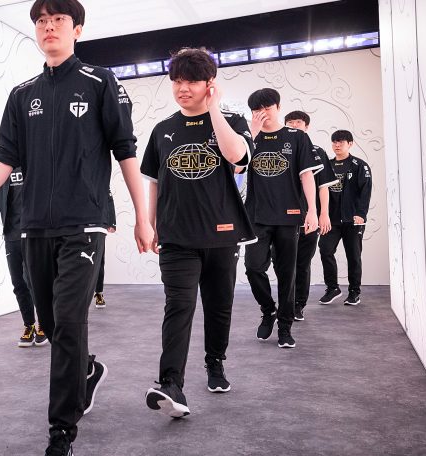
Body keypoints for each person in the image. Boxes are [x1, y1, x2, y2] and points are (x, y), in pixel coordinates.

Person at [0, 1, 153, 454]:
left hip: (85, 223)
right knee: (50, 323)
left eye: (58, 20)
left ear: (77, 29)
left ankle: (61, 431)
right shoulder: (22, 94)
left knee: (69, 320)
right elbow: (6, 158)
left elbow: (125, 151)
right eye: (41, 21)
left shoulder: (101, 82)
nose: (48, 27)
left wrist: (142, 218)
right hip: (34, 227)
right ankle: (86, 370)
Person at [140, 48, 256, 418]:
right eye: (177, 81)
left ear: (210, 83)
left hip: (222, 234)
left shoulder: (232, 121)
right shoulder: (163, 129)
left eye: (191, 81)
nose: (182, 88)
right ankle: (171, 383)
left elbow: (238, 157)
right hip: (176, 237)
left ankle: (215, 362)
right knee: (179, 306)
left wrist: (214, 110)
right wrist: (148, 222)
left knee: (219, 306)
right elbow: (155, 181)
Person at [245, 88, 322, 349]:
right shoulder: (247, 137)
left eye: (267, 107)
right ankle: (268, 310)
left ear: (278, 107)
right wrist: (251, 136)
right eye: (257, 110)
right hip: (256, 215)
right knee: (253, 267)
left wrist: (312, 211)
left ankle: (285, 327)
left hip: (289, 215)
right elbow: (236, 169)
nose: (262, 113)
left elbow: (307, 176)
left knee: (287, 273)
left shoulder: (297, 137)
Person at [0, 167, 48, 347]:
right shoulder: (3, 167)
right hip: (12, 234)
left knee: (34, 282)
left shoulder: (33, 160)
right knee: (19, 283)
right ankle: (29, 325)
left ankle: (45, 323)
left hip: (34, 233)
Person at [283, 111, 338, 320]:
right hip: (283, 219)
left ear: (306, 127)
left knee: (302, 263)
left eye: (298, 122)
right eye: (290, 122)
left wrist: (324, 214)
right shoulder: (280, 149)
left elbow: (323, 187)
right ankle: (285, 304)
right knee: (284, 264)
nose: (294, 125)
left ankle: (298, 305)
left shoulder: (317, 152)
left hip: (309, 217)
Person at [318, 130, 372, 306]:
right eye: (334, 142)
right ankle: (332, 288)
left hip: (352, 220)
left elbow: (365, 191)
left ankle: (354, 292)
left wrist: (361, 214)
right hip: (331, 220)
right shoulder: (327, 165)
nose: (337, 145)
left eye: (341, 142)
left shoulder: (359, 166)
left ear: (350, 144)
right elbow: (320, 190)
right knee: (325, 250)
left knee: (353, 256)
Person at [93, 190, 116, 309]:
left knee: (99, 261)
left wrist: (112, 222)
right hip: (77, 223)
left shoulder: (100, 180)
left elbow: (108, 197)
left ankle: (99, 293)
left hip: (99, 224)